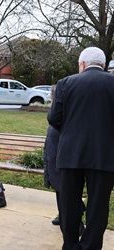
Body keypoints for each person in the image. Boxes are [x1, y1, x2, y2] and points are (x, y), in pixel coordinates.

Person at [48, 47, 114, 250]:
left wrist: (71, 132)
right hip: (104, 155)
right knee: (98, 205)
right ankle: (90, 247)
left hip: (70, 154)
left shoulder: (65, 83)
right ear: (103, 65)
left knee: (69, 203)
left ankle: (70, 245)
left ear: (82, 64)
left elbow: (54, 118)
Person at [43, 85, 85, 234]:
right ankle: (63, 216)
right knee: (60, 190)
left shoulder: (66, 113)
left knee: (67, 193)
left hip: (62, 160)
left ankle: (77, 223)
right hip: (53, 157)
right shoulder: (57, 112)